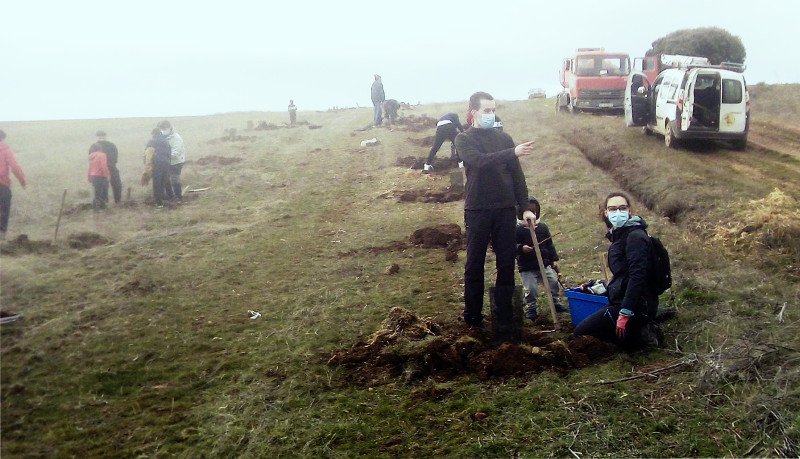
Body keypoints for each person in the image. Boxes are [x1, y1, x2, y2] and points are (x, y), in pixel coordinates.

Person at [455, 91, 535, 336]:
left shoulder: (504, 138)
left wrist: (525, 208)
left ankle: (504, 318)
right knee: (474, 264)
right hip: (477, 208)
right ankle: (473, 317)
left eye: (494, 110)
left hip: (504, 209)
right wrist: (512, 152)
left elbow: (517, 177)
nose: (491, 115)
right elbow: (479, 161)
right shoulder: (464, 140)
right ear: (473, 112)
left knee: (506, 263)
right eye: (487, 111)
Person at [574, 192, 661, 348]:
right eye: (613, 209)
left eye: (622, 208)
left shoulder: (635, 237)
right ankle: (637, 329)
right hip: (622, 300)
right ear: (606, 212)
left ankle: (643, 334)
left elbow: (638, 276)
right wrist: (599, 288)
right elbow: (622, 275)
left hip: (636, 304)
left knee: (582, 333)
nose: (617, 212)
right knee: (585, 330)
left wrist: (625, 312)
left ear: (629, 211)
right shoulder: (619, 236)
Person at [516, 196, 568, 321]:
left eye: (534, 212)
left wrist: (553, 259)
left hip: (544, 265)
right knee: (531, 289)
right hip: (527, 267)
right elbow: (512, 245)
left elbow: (549, 245)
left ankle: (555, 303)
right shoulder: (517, 229)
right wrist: (521, 248)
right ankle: (531, 308)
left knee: (553, 283)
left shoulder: (543, 227)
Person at [0, 130, 27, 240]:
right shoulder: (6, 150)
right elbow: (15, 167)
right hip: (2, 185)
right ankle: (1, 236)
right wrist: (22, 182)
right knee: (4, 209)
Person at [158, 120, 186, 202]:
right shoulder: (162, 137)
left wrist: (163, 157)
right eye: (161, 129)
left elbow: (175, 153)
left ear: (170, 128)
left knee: (175, 178)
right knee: (166, 178)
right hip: (166, 161)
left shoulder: (177, 138)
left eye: (164, 128)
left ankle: (178, 197)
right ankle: (170, 196)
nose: (163, 131)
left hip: (176, 161)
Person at [146, 128, 172, 208]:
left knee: (157, 183)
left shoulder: (151, 141)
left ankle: (159, 203)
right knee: (164, 180)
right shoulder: (165, 141)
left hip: (157, 164)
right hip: (166, 163)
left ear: (153, 134)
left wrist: (148, 166)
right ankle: (168, 197)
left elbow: (147, 153)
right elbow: (169, 152)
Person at [95, 130, 122, 204]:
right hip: (111, 167)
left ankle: (105, 203)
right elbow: (115, 157)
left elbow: (92, 158)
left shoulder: (94, 146)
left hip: (100, 169)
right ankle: (117, 201)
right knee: (116, 185)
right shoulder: (111, 145)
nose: (101, 137)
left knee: (104, 186)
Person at [88, 143, 110, 210]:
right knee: (101, 193)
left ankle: (101, 207)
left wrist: (89, 176)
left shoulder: (91, 156)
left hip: (93, 176)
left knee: (97, 192)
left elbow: (90, 167)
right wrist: (107, 175)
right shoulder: (102, 155)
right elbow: (103, 166)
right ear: (100, 149)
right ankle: (97, 209)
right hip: (100, 176)